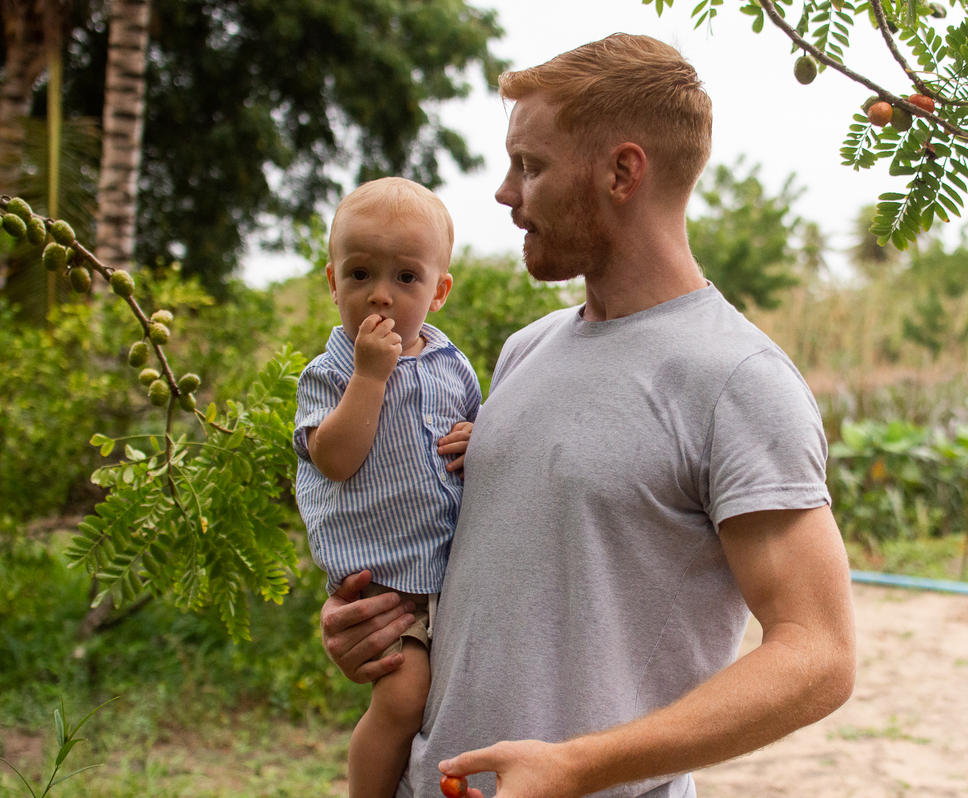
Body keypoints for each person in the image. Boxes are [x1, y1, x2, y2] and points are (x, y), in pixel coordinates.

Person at [320, 34, 857, 798]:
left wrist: (580, 766)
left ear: (621, 171)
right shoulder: (525, 350)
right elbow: (501, 583)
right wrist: (380, 629)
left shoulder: (738, 379)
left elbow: (819, 655)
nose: (506, 193)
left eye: (530, 166)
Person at [293, 177, 480, 798]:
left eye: (406, 278)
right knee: (402, 701)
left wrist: (474, 440)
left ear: (439, 290)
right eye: (359, 274)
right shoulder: (333, 370)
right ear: (331, 282)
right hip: (387, 582)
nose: (380, 295)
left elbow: (478, 434)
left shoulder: (453, 365)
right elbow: (334, 458)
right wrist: (370, 377)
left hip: (447, 570)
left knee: (439, 701)